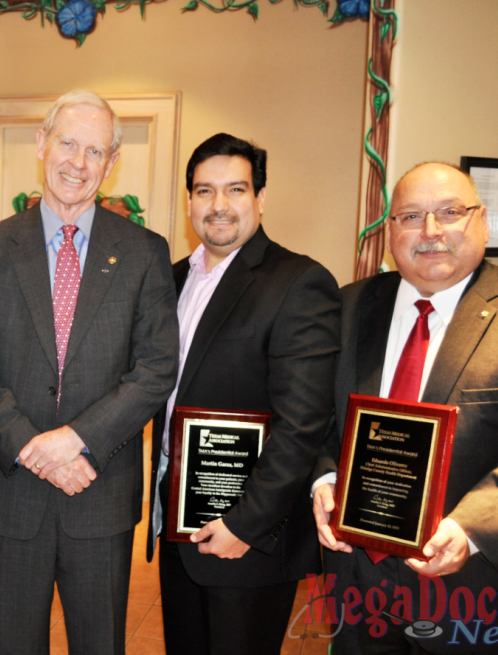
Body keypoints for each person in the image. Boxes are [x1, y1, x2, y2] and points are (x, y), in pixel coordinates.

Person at [0, 89, 178, 655]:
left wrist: (75, 442)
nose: (78, 162)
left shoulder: (146, 253)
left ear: (112, 162)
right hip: (14, 495)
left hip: (99, 493)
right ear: (42, 144)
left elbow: (155, 368)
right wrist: (32, 448)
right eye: (68, 144)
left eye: (95, 151)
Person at [312, 162, 498, 654]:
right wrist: (323, 481)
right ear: (390, 232)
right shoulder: (345, 308)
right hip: (359, 583)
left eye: (450, 212)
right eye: (411, 216)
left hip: (481, 591)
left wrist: (471, 528)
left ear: (483, 221)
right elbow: (317, 419)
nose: (430, 231)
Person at [143, 133, 341, 654]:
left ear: (261, 198)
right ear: (189, 201)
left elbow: (304, 423)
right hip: (178, 516)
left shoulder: (298, 282)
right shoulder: (171, 280)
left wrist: (245, 524)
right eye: (205, 191)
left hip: (249, 534)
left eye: (235, 189)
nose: (219, 206)